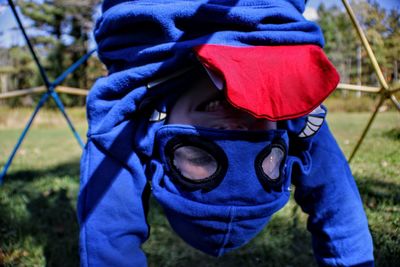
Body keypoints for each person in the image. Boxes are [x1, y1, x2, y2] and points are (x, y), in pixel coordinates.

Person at [77, 1, 374, 266]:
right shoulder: (290, 106)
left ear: (157, 131)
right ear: (281, 131)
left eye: (197, 154)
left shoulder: (134, 112)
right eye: (263, 157)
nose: (234, 126)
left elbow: (109, 230)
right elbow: (335, 197)